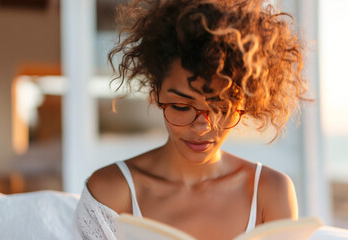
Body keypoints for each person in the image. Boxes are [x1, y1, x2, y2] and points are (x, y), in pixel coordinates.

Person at [73, 0, 307, 239]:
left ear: (244, 103)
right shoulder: (111, 192)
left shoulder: (270, 192)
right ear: (155, 93)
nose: (202, 126)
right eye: (181, 106)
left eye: (221, 108)